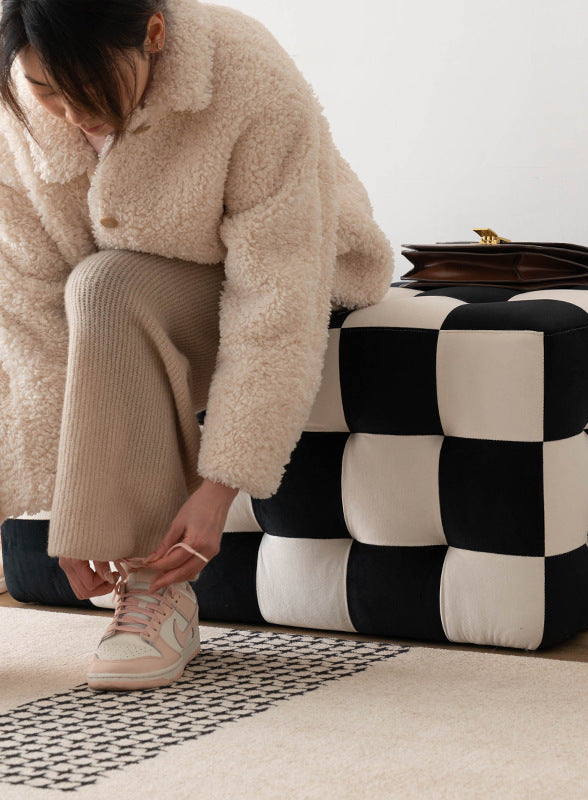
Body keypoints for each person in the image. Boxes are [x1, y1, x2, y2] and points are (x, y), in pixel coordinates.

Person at [0, 0, 394, 690]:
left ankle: (159, 591)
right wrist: (68, 505)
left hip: (275, 277)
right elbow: (29, 311)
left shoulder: (251, 79)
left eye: (86, 87)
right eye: (46, 90)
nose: (67, 113)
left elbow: (276, 300)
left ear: (154, 33)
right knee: (98, 288)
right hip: (116, 296)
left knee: (106, 286)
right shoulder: (21, 108)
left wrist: (221, 487)